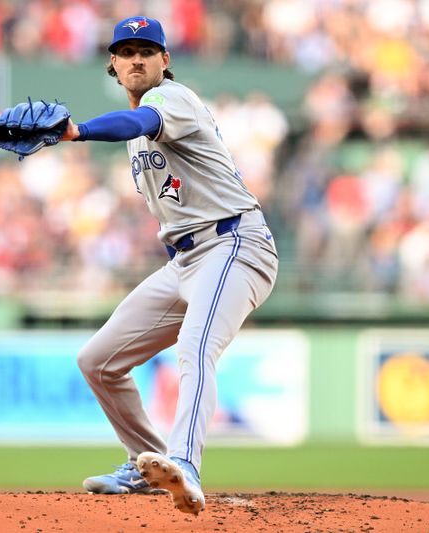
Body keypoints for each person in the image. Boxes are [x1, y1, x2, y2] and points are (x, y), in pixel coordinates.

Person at [61, 16, 279, 515]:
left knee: (194, 346)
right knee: (98, 361)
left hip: (234, 243)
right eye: (126, 51)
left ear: (166, 61)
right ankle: (146, 463)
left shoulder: (172, 99)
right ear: (113, 65)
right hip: (186, 260)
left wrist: (78, 131)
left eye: (147, 50)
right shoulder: (139, 140)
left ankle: (185, 461)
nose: (137, 58)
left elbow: (139, 121)